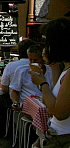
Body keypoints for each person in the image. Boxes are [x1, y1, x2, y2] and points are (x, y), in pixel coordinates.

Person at [0, 38, 36, 135]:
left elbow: (5, 89)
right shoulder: (43, 67)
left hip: (18, 101)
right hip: (34, 101)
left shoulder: (14, 66)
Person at [29, 18, 70, 147]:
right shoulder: (66, 70)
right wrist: (52, 64)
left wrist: (42, 84)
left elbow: (58, 113)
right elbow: (57, 97)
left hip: (62, 138)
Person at [10, 45, 53, 109]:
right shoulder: (22, 70)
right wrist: (15, 102)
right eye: (30, 59)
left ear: (43, 59)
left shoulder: (51, 71)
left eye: (36, 60)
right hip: (28, 106)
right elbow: (14, 91)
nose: (32, 62)